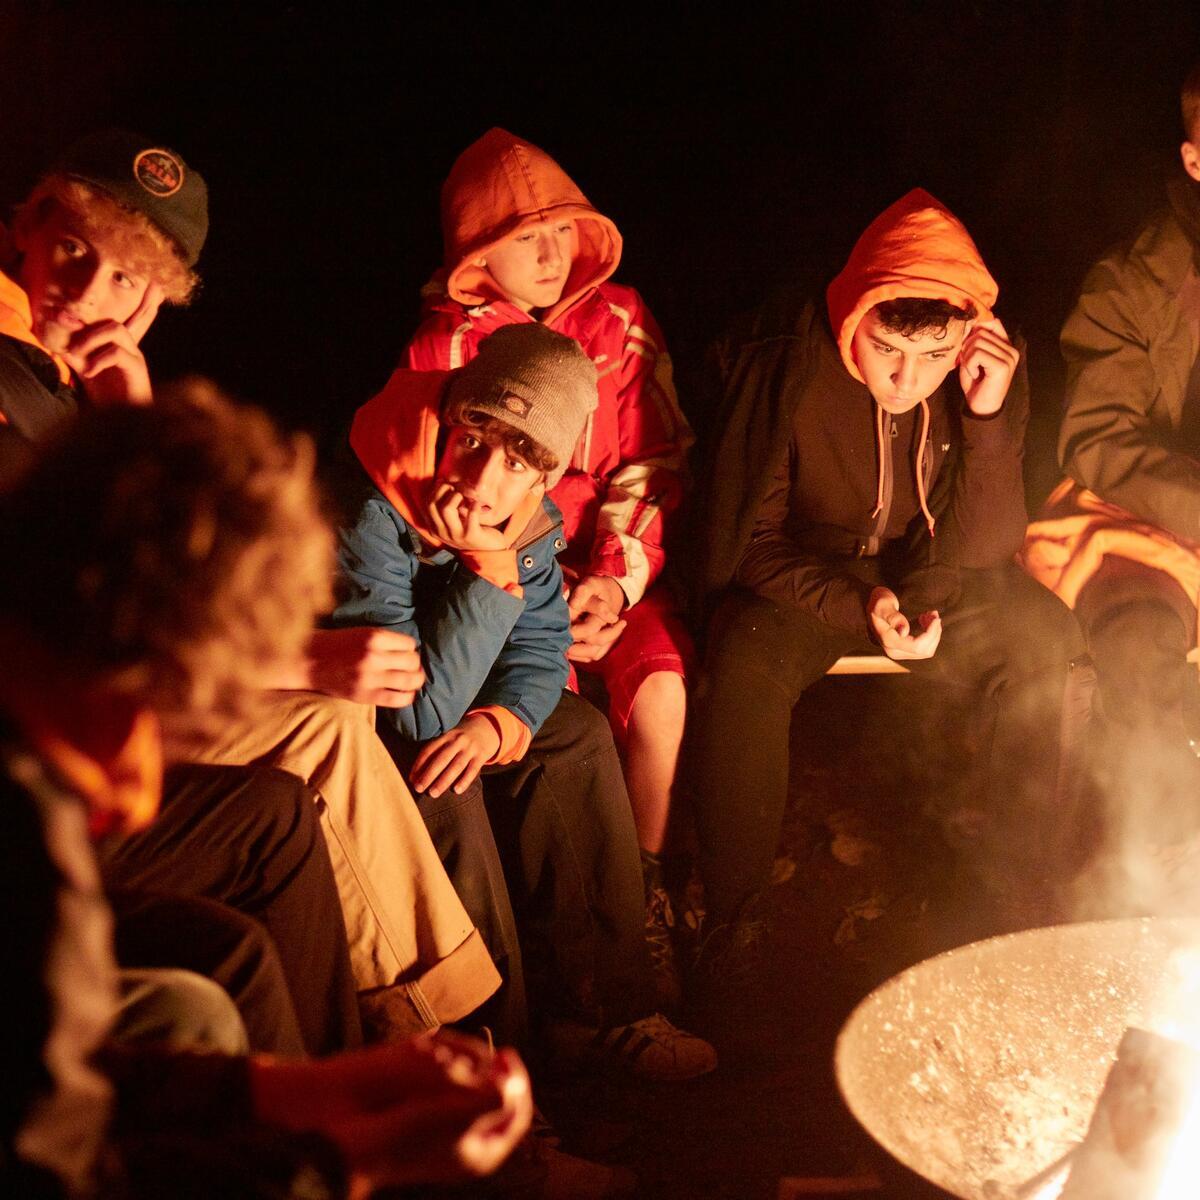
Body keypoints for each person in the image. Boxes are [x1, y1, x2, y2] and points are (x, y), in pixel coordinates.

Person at [0, 128, 502, 1040]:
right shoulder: (9, 383)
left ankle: (437, 1054)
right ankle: (403, 1085)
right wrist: (297, 656)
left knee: (341, 727)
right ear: (23, 233)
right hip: (35, 762)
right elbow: (82, 635)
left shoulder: (61, 379)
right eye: (73, 251)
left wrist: (129, 419)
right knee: (285, 801)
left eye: (126, 279)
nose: (85, 293)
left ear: (156, 301)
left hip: (70, 724)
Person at [0, 392, 531, 1198]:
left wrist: (332, 1092)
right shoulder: (26, 842)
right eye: (186, 726)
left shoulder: (36, 735)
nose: (152, 793)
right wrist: (356, 1161)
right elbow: (62, 1168)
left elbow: (72, 1076)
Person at [689, 189, 1085, 980]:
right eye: (888, 355)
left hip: (930, 573)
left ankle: (1020, 895)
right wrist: (858, 602)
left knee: (1049, 644)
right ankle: (731, 913)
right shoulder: (786, 361)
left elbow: (988, 545)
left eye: (934, 359)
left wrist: (986, 418)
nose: (908, 381)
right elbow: (749, 544)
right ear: (853, 321)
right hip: (808, 575)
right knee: (743, 662)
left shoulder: (986, 372)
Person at [334, 321, 716, 1081]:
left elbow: (541, 647)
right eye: (473, 439)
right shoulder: (374, 497)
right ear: (452, 417)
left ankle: (607, 1010)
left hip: (449, 689)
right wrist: (487, 568)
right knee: (445, 775)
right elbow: (412, 709)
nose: (482, 480)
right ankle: (498, 1051)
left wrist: (501, 721)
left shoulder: (527, 514)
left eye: (518, 462)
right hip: (356, 707)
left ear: (547, 476)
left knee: (573, 735)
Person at [405, 130, 696, 995]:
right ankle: (556, 935)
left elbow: (649, 461)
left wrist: (613, 577)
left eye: (562, 231)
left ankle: (641, 898)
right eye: (525, 237)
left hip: (609, 567)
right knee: (558, 722)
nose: (548, 253)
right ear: (475, 249)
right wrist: (533, 584)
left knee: (662, 693)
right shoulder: (447, 344)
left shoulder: (619, 321)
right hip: (501, 573)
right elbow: (439, 493)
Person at [1022, 58, 1200, 877]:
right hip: (1133, 530)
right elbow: (1096, 436)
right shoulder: (1132, 283)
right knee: (1136, 639)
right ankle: (1164, 869)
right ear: (1195, 160)